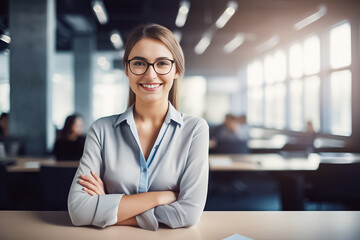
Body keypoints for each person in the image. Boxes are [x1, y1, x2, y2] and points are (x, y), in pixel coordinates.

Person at [68, 23, 209, 231]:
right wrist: (163, 197)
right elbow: (79, 211)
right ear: (127, 69)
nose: (150, 75)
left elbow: (188, 213)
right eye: (139, 63)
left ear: (176, 70)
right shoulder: (101, 130)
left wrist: (108, 206)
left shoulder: (195, 130)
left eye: (162, 63)